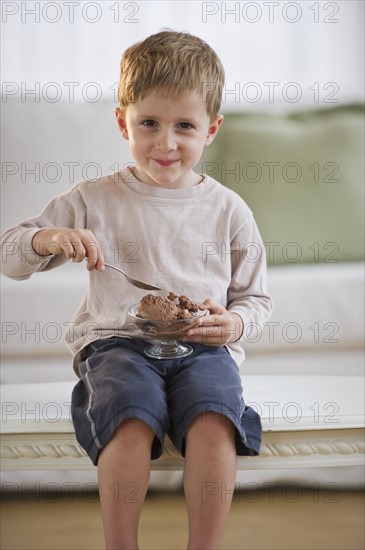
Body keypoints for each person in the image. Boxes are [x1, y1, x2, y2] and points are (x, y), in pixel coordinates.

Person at [1, 31, 272, 550]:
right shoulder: (92, 199)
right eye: (149, 123)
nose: (165, 143)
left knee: (215, 420)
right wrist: (48, 237)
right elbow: (8, 254)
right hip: (117, 344)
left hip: (202, 347)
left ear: (211, 129)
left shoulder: (230, 210)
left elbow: (255, 299)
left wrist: (233, 324)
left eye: (184, 127)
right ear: (123, 119)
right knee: (129, 413)